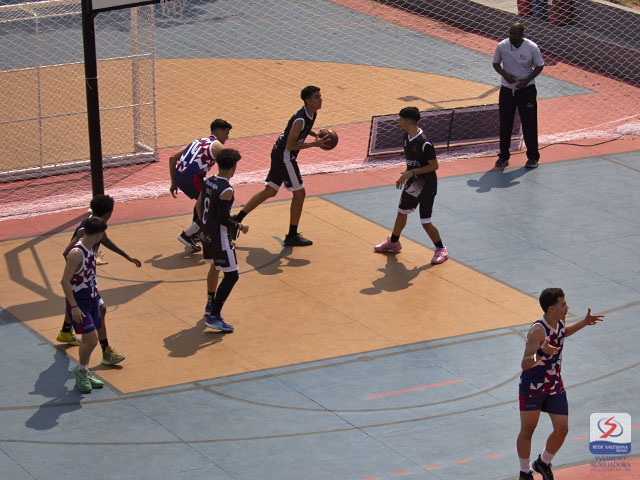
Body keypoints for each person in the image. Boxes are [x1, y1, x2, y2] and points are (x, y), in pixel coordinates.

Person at [517, 288, 604, 480]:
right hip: (533, 387)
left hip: (554, 384)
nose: (567, 307)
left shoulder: (560, 321)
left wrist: (583, 323)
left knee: (562, 429)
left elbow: (562, 333)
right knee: (528, 431)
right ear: (551, 309)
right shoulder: (538, 330)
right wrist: (541, 353)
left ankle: (543, 462)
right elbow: (525, 363)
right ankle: (524, 472)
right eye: (563, 304)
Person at [231, 86, 328, 247]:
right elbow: (290, 145)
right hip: (285, 157)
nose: (320, 99)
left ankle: (236, 219)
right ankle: (292, 235)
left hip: (279, 154)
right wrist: (314, 144)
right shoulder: (300, 119)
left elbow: (304, 129)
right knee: (300, 193)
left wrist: (314, 134)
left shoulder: (311, 114)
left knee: (270, 191)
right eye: (316, 97)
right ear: (307, 100)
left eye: (320, 96)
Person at [56, 194, 141, 366]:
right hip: (80, 281)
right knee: (93, 312)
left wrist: (127, 256)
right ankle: (103, 353)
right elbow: (67, 253)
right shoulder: (86, 230)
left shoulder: (96, 225)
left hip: (85, 280)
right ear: (108, 213)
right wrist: (82, 266)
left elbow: (106, 241)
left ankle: (66, 331)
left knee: (92, 308)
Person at [373, 106, 448, 265]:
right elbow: (411, 162)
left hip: (427, 185)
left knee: (425, 222)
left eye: (400, 120)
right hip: (413, 181)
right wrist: (406, 175)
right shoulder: (406, 137)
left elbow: (434, 166)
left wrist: (411, 172)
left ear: (407, 121)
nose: (399, 122)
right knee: (401, 212)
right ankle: (394, 242)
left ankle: (441, 249)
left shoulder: (425, 143)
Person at [195, 148, 248, 332]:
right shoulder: (226, 190)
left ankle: (210, 304)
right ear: (233, 167)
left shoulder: (209, 181)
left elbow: (198, 205)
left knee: (215, 267)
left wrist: (204, 226)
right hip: (220, 238)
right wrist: (240, 226)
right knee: (232, 275)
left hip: (206, 235)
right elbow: (224, 219)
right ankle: (214, 316)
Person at [60, 216, 109, 393]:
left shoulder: (90, 250)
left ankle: (84, 369)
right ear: (98, 235)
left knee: (87, 340)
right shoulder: (76, 253)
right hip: (80, 301)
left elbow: (84, 269)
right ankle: (80, 370)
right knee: (92, 339)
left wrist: (95, 262)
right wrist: (73, 306)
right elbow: (65, 282)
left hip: (92, 297)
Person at [169, 119, 233, 251]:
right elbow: (229, 163)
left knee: (202, 200)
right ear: (218, 131)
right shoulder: (217, 146)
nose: (227, 137)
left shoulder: (198, 141)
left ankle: (196, 232)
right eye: (226, 133)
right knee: (212, 204)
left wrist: (173, 182)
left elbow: (172, 158)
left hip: (179, 175)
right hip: (192, 178)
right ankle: (189, 234)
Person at [492, 23, 544, 169]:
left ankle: (533, 157)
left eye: (515, 34)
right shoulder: (502, 46)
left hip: (527, 91)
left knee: (529, 124)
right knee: (505, 123)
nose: (512, 36)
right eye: (510, 33)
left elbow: (539, 65)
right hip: (507, 90)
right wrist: (505, 74)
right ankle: (503, 156)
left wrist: (526, 81)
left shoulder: (531, 47)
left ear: (522, 34)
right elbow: (495, 63)